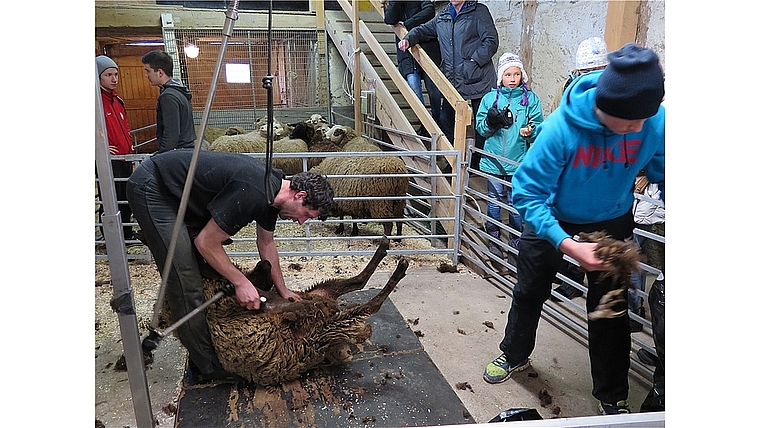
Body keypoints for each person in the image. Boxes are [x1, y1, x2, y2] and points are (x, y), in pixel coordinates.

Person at [482, 43, 665, 416]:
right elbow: (527, 193)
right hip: (554, 214)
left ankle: (612, 394)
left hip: (611, 217)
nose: (637, 129)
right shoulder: (559, 129)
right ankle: (513, 354)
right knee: (531, 288)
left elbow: (665, 167)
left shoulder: (651, 122)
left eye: (643, 121)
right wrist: (567, 244)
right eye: (629, 123)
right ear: (605, 109)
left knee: (611, 309)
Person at [126, 149, 334, 380]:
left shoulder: (273, 191)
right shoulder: (254, 192)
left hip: (179, 191)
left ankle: (202, 339)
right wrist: (240, 281)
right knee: (186, 282)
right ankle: (209, 367)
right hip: (155, 188)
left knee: (205, 265)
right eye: (306, 214)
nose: (301, 221)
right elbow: (206, 242)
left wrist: (283, 290)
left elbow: (266, 243)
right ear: (300, 195)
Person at [398, 0, 498, 169]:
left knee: (482, 126)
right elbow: (424, 30)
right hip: (454, 81)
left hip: (478, 78)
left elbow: (491, 40)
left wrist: (473, 61)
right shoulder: (443, 15)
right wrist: (409, 38)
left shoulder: (478, 11)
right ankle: (455, 163)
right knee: (446, 121)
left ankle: (478, 165)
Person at [550, 36, 609, 301]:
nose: (589, 77)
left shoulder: (613, 95)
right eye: (585, 71)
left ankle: (584, 284)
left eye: (595, 71)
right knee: (567, 229)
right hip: (573, 169)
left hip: (598, 172)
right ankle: (566, 279)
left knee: (592, 233)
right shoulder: (570, 90)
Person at [474, 52, 543, 264]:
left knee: (516, 204)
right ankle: (494, 241)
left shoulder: (530, 99)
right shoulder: (489, 99)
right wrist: (491, 123)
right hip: (493, 161)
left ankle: (515, 242)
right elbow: (480, 128)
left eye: (516, 74)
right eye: (508, 74)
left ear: (522, 75)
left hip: (518, 162)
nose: (512, 78)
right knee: (494, 202)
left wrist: (530, 130)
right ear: (501, 77)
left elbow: (539, 127)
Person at [384, 0, 443, 134]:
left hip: (426, 51)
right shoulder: (391, 3)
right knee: (415, 92)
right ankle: (426, 125)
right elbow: (390, 19)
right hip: (406, 55)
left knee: (434, 92)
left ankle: (438, 122)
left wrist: (407, 24)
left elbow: (429, 12)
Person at [96, 54, 136, 241]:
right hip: (109, 160)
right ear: (97, 77)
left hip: (124, 156)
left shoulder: (117, 99)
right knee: (111, 199)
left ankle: (126, 234)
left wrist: (129, 143)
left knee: (126, 197)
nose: (114, 79)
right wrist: (97, 147)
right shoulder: (95, 102)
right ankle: (112, 237)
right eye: (108, 75)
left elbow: (125, 124)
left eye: (116, 74)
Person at [628, 171, 665, 332]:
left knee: (634, 266)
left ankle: (634, 313)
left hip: (649, 218)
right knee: (635, 265)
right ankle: (634, 312)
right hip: (641, 216)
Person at [141, 50, 196, 153]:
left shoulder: (169, 96)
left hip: (178, 154)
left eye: (148, 71)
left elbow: (171, 134)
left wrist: (161, 157)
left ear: (160, 72)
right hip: (186, 151)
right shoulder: (179, 91)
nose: (146, 75)